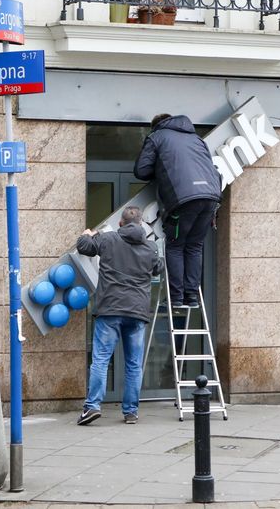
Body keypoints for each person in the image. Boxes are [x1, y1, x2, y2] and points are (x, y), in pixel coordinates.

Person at [76, 206, 163, 426]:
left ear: (121, 223)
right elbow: (158, 268)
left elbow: (84, 246)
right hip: (137, 312)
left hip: (110, 310)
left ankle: (92, 407)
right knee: (133, 365)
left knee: (101, 360)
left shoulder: (109, 239)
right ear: (142, 224)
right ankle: (131, 412)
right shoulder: (149, 247)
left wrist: (88, 234)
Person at [134, 113, 221, 308]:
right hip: (210, 197)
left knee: (175, 245)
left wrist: (161, 168)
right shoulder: (196, 138)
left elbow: (141, 170)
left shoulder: (156, 137)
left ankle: (176, 298)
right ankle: (192, 296)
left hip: (183, 199)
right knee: (195, 246)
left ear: (156, 126)